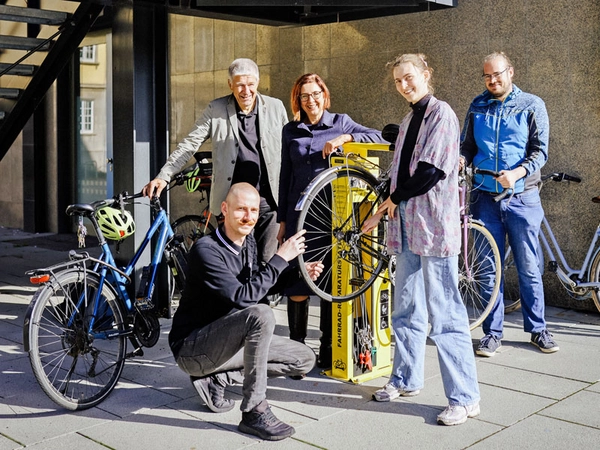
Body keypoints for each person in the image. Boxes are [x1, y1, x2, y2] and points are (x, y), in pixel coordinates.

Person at [362, 54, 480, 426]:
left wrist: (389, 203)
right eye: (398, 81)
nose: (404, 85)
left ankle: (465, 398)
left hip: (434, 230)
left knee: (445, 315)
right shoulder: (411, 117)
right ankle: (405, 377)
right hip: (407, 230)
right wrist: (387, 208)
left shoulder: (441, 114)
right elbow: (402, 170)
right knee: (406, 309)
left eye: (409, 78)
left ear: (426, 75)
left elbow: (429, 173)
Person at [168, 182, 323, 441]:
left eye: (253, 210)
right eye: (241, 209)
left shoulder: (248, 244)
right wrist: (280, 258)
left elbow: (263, 286)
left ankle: (219, 377)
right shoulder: (206, 250)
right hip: (193, 349)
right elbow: (243, 298)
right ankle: (254, 410)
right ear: (225, 209)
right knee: (261, 314)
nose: (249, 217)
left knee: (304, 359)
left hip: (230, 344)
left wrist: (300, 273)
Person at [277, 73, 384, 368]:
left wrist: (346, 137)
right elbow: (286, 176)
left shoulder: (340, 122)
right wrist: (283, 221)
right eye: (304, 96)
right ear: (297, 100)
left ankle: (326, 349)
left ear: (325, 95)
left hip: (331, 216)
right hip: (299, 215)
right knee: (298, 281)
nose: (310, 101)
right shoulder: (291, 130)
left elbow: (380, 136)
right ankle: (296, 351)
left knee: (329, 281)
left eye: (315, 94)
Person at [142, 58, 288, 265]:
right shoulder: (217, 109)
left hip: (269, 200)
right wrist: (164, 176)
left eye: (250, 84)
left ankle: (260, 298)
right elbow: (189, 144)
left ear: (257, 82)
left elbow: (290, 148)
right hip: (233, 204)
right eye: (239, 85)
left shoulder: (276, 107)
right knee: (236, 262)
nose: (245, 90)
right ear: (230, 85)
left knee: (266, 262)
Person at [460, 51, 556, 356]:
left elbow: (540, 151)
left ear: (510, 72)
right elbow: (467, 145)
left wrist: (517, 172)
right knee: (488, 268)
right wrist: (459, 161)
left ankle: (538, 329)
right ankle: (492, 333)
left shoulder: (531, 104)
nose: (492, 80)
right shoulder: (477, 105)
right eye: (487, 76)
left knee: (528, 266)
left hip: (522, 198)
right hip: (484, 197)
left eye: (497, 74)